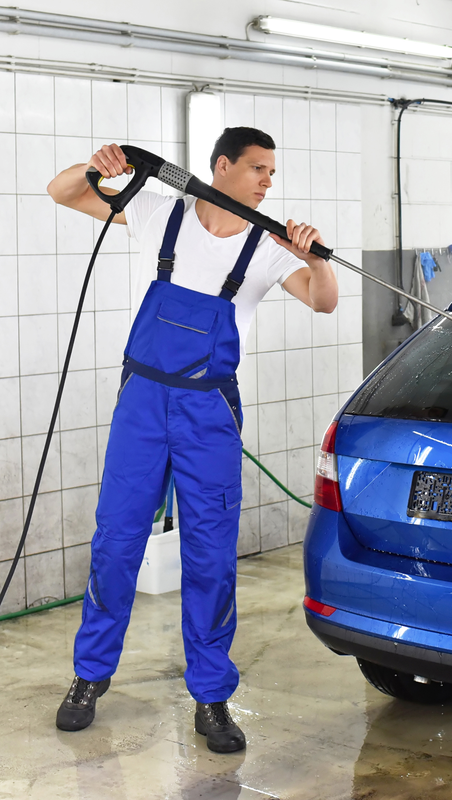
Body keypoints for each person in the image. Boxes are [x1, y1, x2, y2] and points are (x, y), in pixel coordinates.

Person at [46, 127, 338, 753]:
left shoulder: (268, 247)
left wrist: (313, 256)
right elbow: (63, 192)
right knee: (117, 541)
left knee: (209, 555)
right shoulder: (158, 212)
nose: (268, 180)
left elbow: (323, 302)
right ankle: (88, 677)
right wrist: (100, 164)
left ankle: (211, 697)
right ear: (222, 166)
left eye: (272, 171)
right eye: (259, 168)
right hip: (143, 404)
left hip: (209, 413)